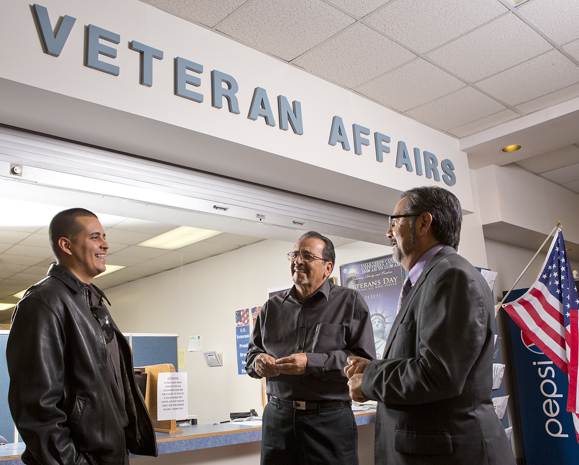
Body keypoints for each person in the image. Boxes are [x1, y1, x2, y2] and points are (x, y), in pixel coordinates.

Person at [345, 187, 515, 465]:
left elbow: (438, 374)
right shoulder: (434, 277)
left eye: (394, 221)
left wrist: (370, 380)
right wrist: (372, 367)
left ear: (424, 222)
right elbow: (427, 360)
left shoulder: (452, 276)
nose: (388, 233)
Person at [7, 208, 157, 465]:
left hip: (108, 456)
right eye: (95, 237)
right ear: (66, 244)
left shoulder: (91, 301)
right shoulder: (43, 302)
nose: (105, 244)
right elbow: (37, 410)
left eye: (104, 237)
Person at [246, 231, 376, 465]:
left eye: (307, 255)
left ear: (328, 267)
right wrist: (258, 361)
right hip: (278, 420)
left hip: (329, 422)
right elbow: (251, 356)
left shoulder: (350, 302)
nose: (297, 261)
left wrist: (312, 362)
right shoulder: (270, 309)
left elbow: (363, 362)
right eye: (294, 254)